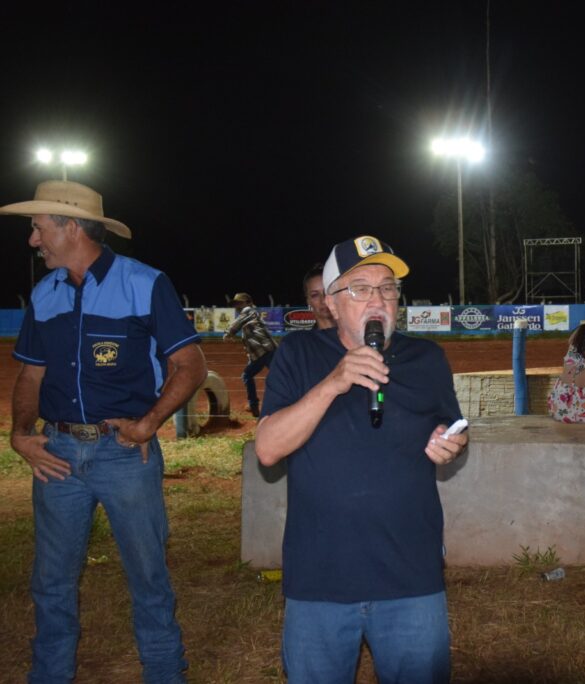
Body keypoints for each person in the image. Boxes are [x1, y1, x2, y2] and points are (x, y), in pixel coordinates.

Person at [1, 180, 206, 683]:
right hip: (58, 453)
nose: (33, 240)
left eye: (38, 227)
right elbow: (31, 373)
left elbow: (190, 364)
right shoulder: (45, 294)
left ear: (71, 226)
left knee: (148, 578)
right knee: (50, 583)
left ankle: (164, 674)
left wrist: (148, 424)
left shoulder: (143, 282)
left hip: (124, 456)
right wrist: (20, 434)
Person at [254, 235, 468, 683]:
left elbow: (451, 432)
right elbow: (268, 448)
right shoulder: (298, 355)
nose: (378, 299)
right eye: (360, 288)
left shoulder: (427, 358)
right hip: (320, 579)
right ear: (331, 303)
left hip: (411, 576)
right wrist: (334, 382)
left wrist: (449, 445)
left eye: (387, 288)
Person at [223, 292, 277, 415]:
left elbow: (235, 325)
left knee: (247, 375)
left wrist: (227, 333)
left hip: (263, 350)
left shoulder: (248, 310)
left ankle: (254, 405)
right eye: (236, 303)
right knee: (280, 376)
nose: (237, 306)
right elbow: (250, 338)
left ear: (248, 303)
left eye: (240, 303)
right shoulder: (252, 315)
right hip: (268, 350)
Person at [303, 262, 335, 330]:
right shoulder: (302, 340)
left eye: (327, 292)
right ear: (308, 301)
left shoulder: (359, 336)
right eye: (315, 295)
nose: (323, 300)